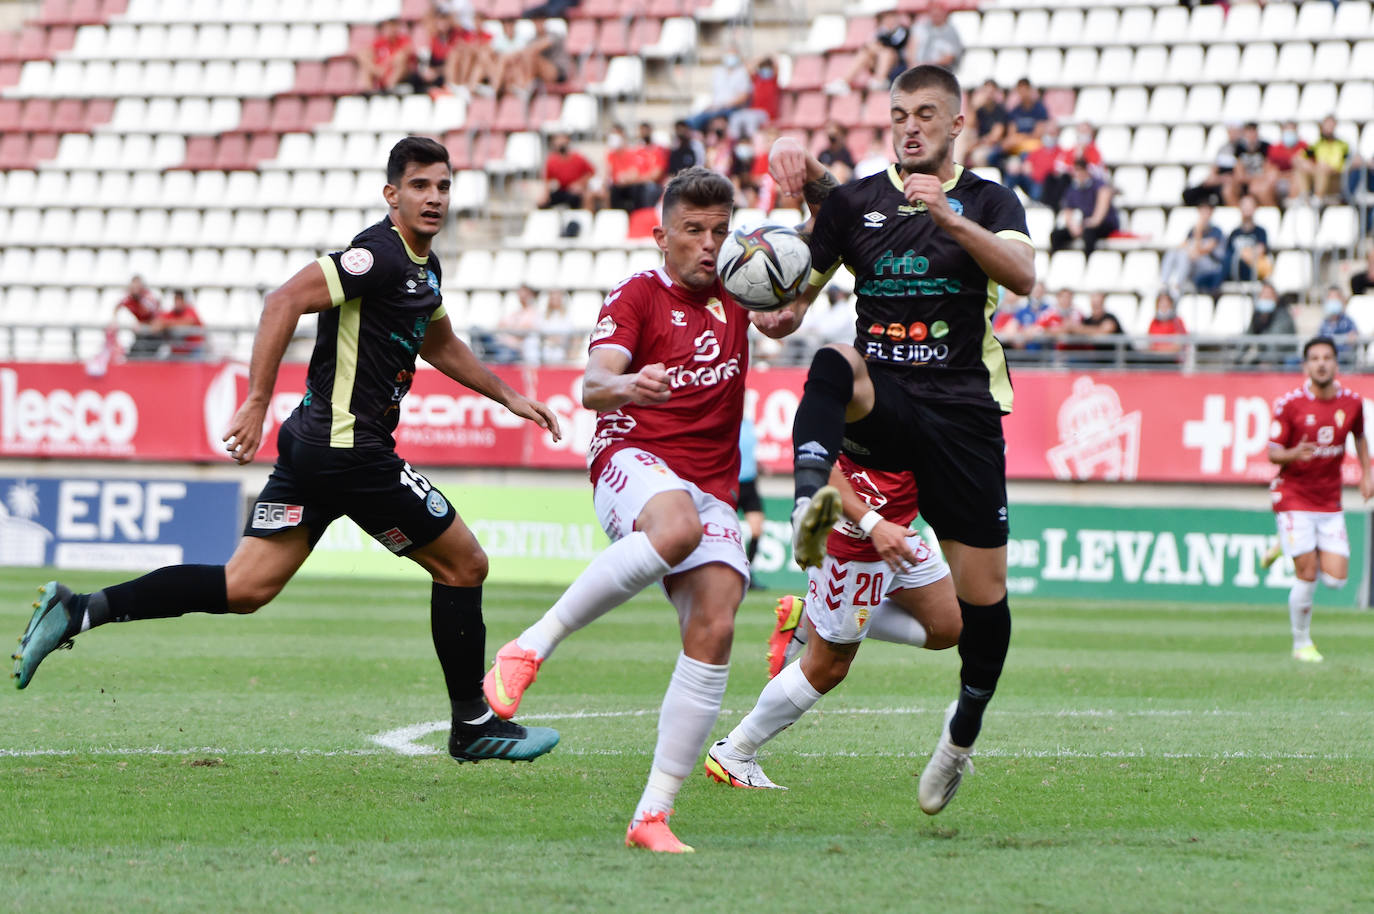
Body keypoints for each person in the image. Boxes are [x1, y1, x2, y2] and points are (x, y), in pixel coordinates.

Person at [12, 137, 563, 765]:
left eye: (442, 186)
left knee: (244, 585)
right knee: (464, 563)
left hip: (312, 449)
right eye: (419, 186)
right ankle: (473, 724)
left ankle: (80, 610)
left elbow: (441, 344)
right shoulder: (374, 257)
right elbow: (283, 300)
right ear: (393, 195)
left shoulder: (422, 270)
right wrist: (255, 399)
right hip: (349, 451)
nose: (433, 198)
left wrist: (507, 396)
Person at [759, 64, 1035, 815]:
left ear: (955, 126)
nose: (910, 126)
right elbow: (790, 305)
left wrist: (947, 217)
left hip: (964, 414)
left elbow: (1023, 277)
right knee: (830, 362)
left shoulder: (988, 198)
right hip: (886, 405)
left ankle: (962, 732)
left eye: (926, 115)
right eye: (899, 114)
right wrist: (768, 301)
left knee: (981, 609)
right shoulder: (854, 203)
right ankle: (809, 498)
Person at [481, 167, 754, 853]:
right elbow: (594, 384)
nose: (708, 245)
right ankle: (527, 647)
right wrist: (634, 382)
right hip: (631, 456)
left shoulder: (740, 289)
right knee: (677, 528)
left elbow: (788, 311)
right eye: (693, 232)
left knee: (717, 623)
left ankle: (651, 817)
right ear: (661, 236)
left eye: (719, 232)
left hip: (710, 481)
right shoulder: (637, 294)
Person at [705, 454, 960, 789]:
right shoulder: (853, 403)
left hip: (896, 528)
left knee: (948, 625)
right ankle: (735, 752)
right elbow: (820, 457)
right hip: (854, 538)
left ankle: (811, 616)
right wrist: (872, 522)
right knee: (829, 667)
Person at [1263, 336, 1373, 662]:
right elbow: (1272, 453)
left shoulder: (1352, 403)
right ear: (1306, 365)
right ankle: (1301, 644)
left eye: (1327, 357)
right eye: (1315, 358)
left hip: (1329, 501)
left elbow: (1360, 436)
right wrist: (1295, 453)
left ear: (1336, 363)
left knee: (1337, 581)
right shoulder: (1290, 404)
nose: (1321, 363)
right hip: (1293, 496)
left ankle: (1285, 541)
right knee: (1307, 574)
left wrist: (1367, 473)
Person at [828, 11, 911, 95]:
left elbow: (895, 45)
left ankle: (880, 80)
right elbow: (870, 46)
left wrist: (878, 47)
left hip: (896, 66)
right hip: (877, 62)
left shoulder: (903, 31)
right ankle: (844, 82)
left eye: (891, 17)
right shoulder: (879, 32)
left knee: (886, 53)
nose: (889, 20)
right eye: (886, 18)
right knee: (865, 54)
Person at [1048, 158, 1118, 255]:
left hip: (1104, 224)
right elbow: (1068, 211)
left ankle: (1088, 260)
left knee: (1089, 234)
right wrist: (1073, 227)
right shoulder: (1073, 189)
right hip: (1086, 224)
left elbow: (1101, 209)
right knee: (1056, 235)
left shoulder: (1098, 185)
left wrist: (1093, 221)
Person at [1159, 202, 1225, 297]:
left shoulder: (1216, 231)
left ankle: (1178, 285)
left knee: (1185, 255)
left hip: (1209, 267)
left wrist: (1198, 231)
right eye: (1202, 211)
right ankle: (1164, 283)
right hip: (1192, 263)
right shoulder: (1192, 230)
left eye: (1207, 211)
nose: (1204, 215)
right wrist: (1188, 250)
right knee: (1173, 252)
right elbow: (1184, 245)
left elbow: (1202, 250)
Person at [686, 46, 752, 131]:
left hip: (731, 108)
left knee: (701, 120)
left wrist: (723, 105)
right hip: (716, 106)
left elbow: (743, 96)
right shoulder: (718, 72)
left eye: (733, 55)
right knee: (695, 117)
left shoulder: (742, 73)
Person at [737, 417, 766, 590]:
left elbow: (748, 452)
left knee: (757, 530)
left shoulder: (749, 424)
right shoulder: (725, 422)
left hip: (749, 483)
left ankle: (748, 573)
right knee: (725, 530)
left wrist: (758, 466)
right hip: (731, 482)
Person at [1239, 282, 1295, 368]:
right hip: (1264, 357)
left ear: (1276, 298)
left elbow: (1275, 344)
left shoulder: (1283, 316)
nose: (1265, 299)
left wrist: (1266, 361)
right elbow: (1246, 338)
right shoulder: (1257, 316)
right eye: (1263, 296)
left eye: (1269, 296)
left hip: (1283, 361)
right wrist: (1236, 359)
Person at [1295, 115, 1350, 202]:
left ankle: (1318, 198)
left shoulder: (1343, 145)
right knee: (1303, 167)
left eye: (1331, 125)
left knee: (1322, 168)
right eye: (1327, 125)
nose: (1329, 128)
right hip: (1318, 173)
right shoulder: (1317, 144)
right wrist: (1308, 164)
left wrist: (1324, 167)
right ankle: (1305, 197)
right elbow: (1300, 157)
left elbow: (1343, 166)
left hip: (1335, 178)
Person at [357, 18, 417, 94]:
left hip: (396, 72)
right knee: (365, 65)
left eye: (392, 26)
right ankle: (369, 92)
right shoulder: (380, 41)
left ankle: (390, 88)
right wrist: (376, 69)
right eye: (388, 27)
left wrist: (386, 64)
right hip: (381, 71)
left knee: (400, 61)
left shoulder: (403, 40)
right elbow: (362, 53)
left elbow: (404, 53)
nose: (391, 29)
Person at [1220, 194, 1270, 284]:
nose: (1247, 208)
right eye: (1244, 205)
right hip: (1235, 268)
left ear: (1255, 208)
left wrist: (1243, 254)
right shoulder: (1234, 232)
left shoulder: (1260, 231)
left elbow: (1260, 250)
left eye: (1250, 205)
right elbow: (1229, 253)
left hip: (1251, 268)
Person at [110, 274, 163, 358]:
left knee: (149, 355)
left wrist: (142, 323)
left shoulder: (148, 298)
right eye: (133, 286)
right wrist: (114, 320)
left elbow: (154, 314)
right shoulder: (128, 298)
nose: (135, 289)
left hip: (154, 334)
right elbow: (117, 306)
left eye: (137, 286)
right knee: (133, 355)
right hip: (142, 332)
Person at [538, 132, 595, 209]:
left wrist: (579, 184)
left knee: (575, 199)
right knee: (543, 204)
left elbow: (591, 172)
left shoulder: (578, 158)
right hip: (562, 190)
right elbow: (547, 180)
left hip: (575, 192)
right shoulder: (551, 160)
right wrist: (545, 195)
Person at [1223, 122, 1270, 207]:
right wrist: (1250, 179)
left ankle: (1267, 211)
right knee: (1228, 190)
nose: (1251, 135)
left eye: (1253, 132)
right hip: (1246, 181)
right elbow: (1239, 173)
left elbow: (1267, 170)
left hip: (1260, 181)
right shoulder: (1239, 148)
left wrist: (1256, 179)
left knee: (1260, 189)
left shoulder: (1265, 147)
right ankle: (1237, 211)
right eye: (1249, 132)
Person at [909, 2, 963, 73]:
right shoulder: (920, 27)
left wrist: (927, 65)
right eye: (933, 11)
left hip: (940, 71)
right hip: (918, 69)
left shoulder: (951, 32)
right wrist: (913, 65)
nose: (936, 14)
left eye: (938, 11)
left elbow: (949, 58)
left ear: (944, 13)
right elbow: (910, 49)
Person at [155, 289, 205, 359]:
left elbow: (188, 322)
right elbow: (157, 323)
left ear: (184, 301)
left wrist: (167, 324)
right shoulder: (172, 313)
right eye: (176, 299)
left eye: (180, 299)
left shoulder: (190, 310)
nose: (177, 302)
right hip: (178, 351)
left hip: (193, 349)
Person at [1316, 285, 1359, 364]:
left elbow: (1353, 337)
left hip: (1343, 361)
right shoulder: (1324, 323)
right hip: (1327, 360)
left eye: (1336, 297)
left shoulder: (1348, 322)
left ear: (1342, 300)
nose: (1333, 301)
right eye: (1330, 297)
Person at [1145, 290, 1187, 357]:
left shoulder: (1177, 322)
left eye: (1166, 302)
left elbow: (1177, 346)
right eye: (1161, 303)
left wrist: (1159, 350)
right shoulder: (1154, 322)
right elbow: (1150, 344)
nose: (1164, 305)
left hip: (1172, 361)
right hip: (1156, 359)